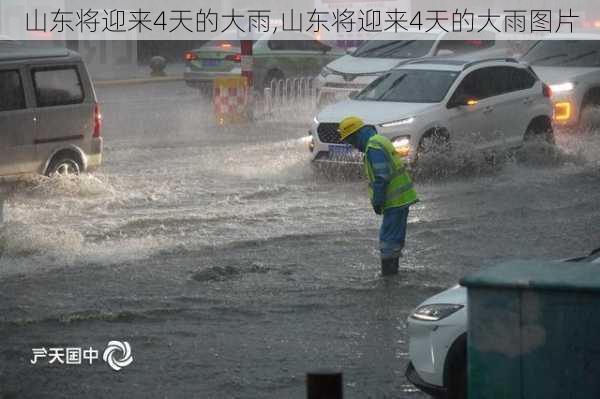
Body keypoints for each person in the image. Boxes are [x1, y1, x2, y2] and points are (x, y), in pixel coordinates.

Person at [338, 116, 418, 276]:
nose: (352, 145)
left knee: (388, 241)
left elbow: (382, 177)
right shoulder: (379, 140)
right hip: (401, 199)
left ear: (356, 135)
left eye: (350, 141)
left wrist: (377, 201)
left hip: (395, 201)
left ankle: (389, 280)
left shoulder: (373, 147)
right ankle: (393, 275)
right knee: (394, 239)